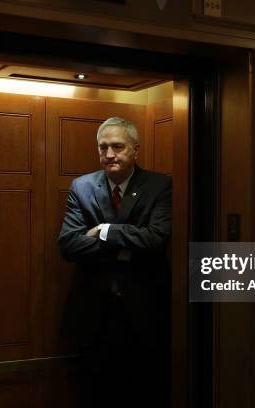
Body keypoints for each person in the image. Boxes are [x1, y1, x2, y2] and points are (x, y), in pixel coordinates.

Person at [58, 117, 172, 408]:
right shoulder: (82, 187)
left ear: (135, 149)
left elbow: (156, 238)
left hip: (144, 313)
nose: (109, 154)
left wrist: (104, 231)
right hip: (94, 314)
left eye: (117, 147)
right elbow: (69, 245)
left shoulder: (160, 186)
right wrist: (127, 245)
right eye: (103, 147)